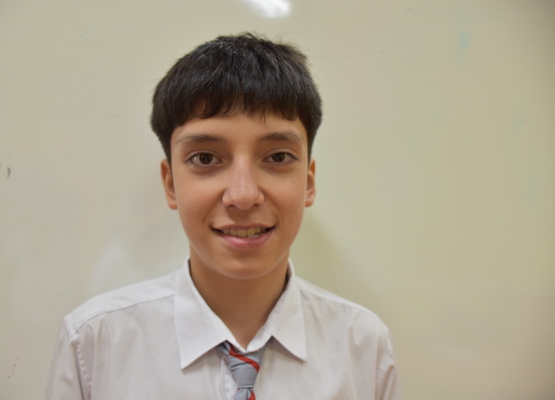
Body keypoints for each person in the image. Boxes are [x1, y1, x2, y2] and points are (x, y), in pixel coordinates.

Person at [46, 33, 401, 400]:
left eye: (278, 157)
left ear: (308, 183)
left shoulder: (363, 347)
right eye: (205, 158)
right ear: (170, 184)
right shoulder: (94, 344)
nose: (243, 196)